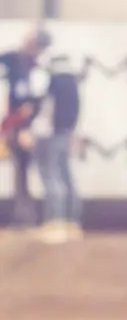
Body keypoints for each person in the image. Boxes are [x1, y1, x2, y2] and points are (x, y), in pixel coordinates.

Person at [29, 43, 79, 244]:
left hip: (49, 133)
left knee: (52, 178)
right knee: (65, 176)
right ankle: (72, 223)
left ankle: (56, 223)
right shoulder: (71, 80)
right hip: (63, 131)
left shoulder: (50, 80)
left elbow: (43, 106)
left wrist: (37, 129)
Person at [0, 27, 44, 229]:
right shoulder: (20, 65)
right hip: (18, 126)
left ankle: (25, 217)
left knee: (22, 172)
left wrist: (23, 127)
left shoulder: (28, 71)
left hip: (23, 127)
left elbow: (29, 105)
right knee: (21, 173)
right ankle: (23, 216)